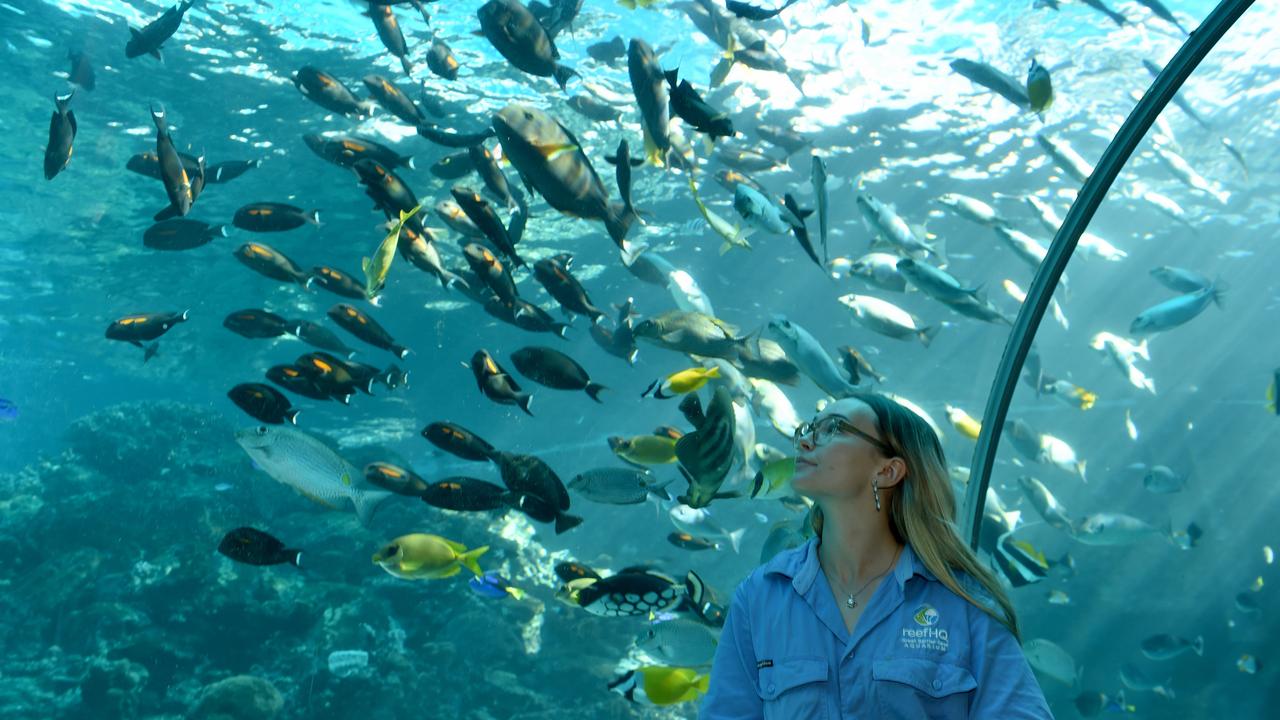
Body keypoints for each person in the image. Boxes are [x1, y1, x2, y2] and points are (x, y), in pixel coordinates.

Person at [699, 392, 1053, 719]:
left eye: (833, 429)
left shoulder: (963, 603)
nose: (805, 441)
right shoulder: (761, 596)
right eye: (809, 428)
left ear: (888, 471)